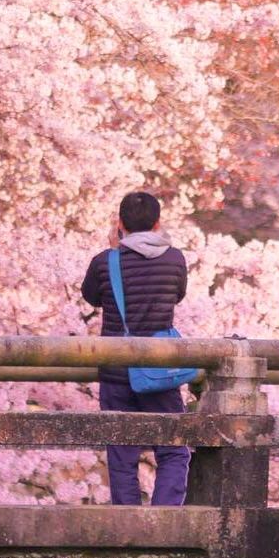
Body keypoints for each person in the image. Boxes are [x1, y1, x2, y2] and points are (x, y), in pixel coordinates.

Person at [80, 191, 190, 506]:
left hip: (116, 371)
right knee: (172, 449)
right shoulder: (175, 258)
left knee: (122, 454)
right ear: (157, 223)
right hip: (160, 369)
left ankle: (129, 527)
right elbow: (177, 295)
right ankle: (165, 522)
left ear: (120, 224)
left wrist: (115, 251)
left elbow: (91, 296)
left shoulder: (105, 261)